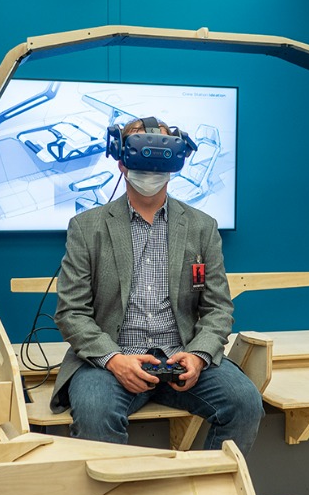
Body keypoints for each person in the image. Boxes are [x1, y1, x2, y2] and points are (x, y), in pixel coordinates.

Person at [53, 116, 264, 455]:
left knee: (245, 403)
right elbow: (71, 312)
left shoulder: (201, 227)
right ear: (122, 161)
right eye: (140, 150)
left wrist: (198, 355)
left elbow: (218, 308)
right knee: (95, 412)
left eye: (159, 150)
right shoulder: (86, 228)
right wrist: (114, 359)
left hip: (181, 359)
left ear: (175, 161)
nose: (150, 164)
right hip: (111, 360)